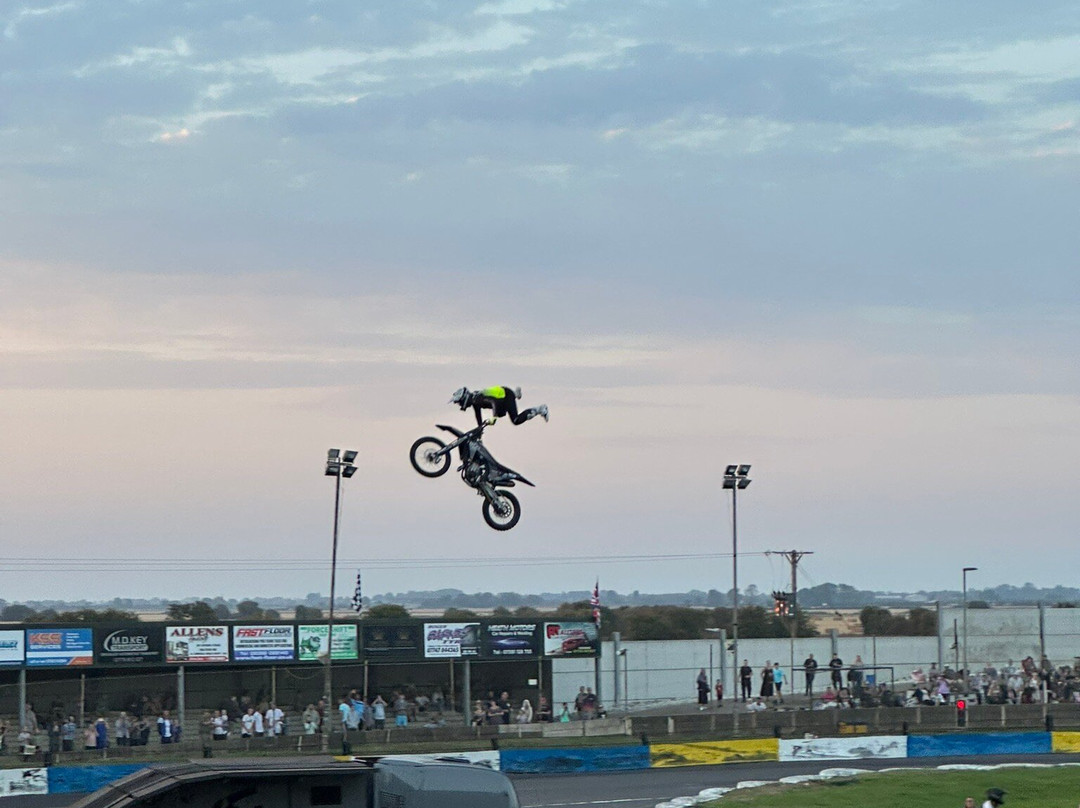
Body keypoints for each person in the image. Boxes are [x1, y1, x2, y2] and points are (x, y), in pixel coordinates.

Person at [450, 386, 549, 427]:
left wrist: (493, 419)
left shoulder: (477, 399)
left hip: (506, 396)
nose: (459, 404)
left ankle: (540, 409)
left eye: (459, 402)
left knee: (516, 420)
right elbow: (478, 415)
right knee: (501, 413)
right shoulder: (475, 400)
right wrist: (479, 429)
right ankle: (515, 394)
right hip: (502, 396)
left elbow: (493, 402)